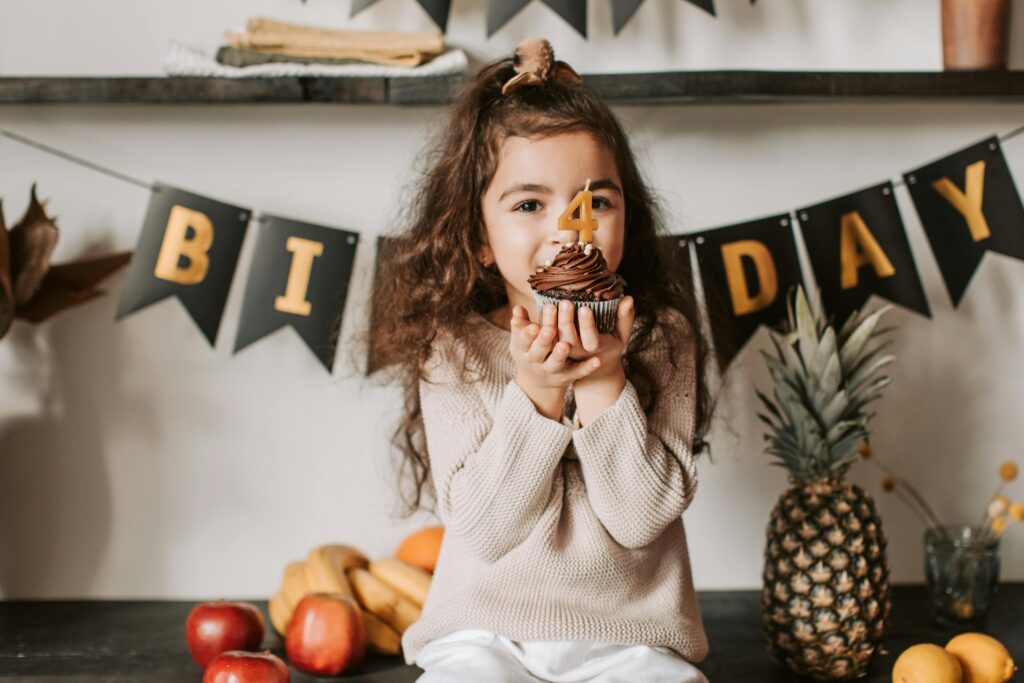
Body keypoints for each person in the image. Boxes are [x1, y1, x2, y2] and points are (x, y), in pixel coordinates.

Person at [369, 37, 714, 683]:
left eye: (596, 202)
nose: (569, 231)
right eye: (530, 204)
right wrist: (536, 389)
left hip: (632, 638)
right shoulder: (454, 346)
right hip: (484, 634)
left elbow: (641, 519)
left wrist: (606, 376)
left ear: (625, 216)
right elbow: (486, 529)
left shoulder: (661, 335)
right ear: (479, 240)